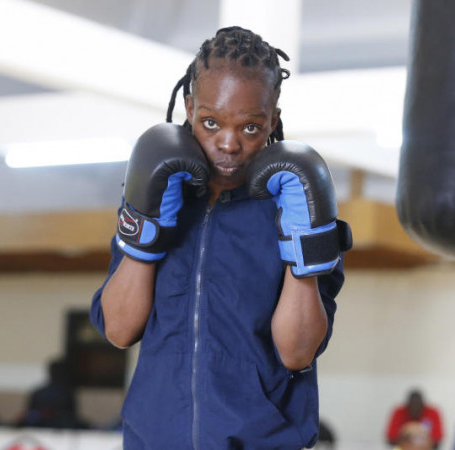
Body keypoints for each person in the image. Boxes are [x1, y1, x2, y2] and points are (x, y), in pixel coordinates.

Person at [90, 26, 349, 449]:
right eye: (211, 122)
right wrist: (146, 223)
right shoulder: (157, 195)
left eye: (250, 127)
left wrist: (304, 241)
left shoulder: (297, 207)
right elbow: (119, 330)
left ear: (272, 123)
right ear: (189, 109)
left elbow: (297, 353)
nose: (228, 143)